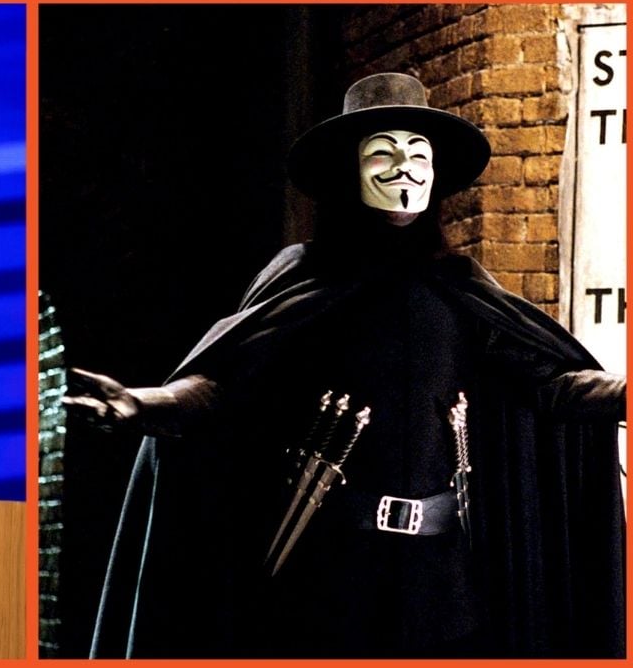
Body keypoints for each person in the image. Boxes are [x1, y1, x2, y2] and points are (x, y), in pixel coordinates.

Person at [68, 73, 625, 658]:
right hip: (327, 571)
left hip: (442, 580)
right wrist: (142, 403)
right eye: (381, 152)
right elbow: (220, 383)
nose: (403, 167)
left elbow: (550, 386)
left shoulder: (461, 290)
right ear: (349, 173)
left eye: (418, 154)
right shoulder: (305, 276)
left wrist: (622, 394)